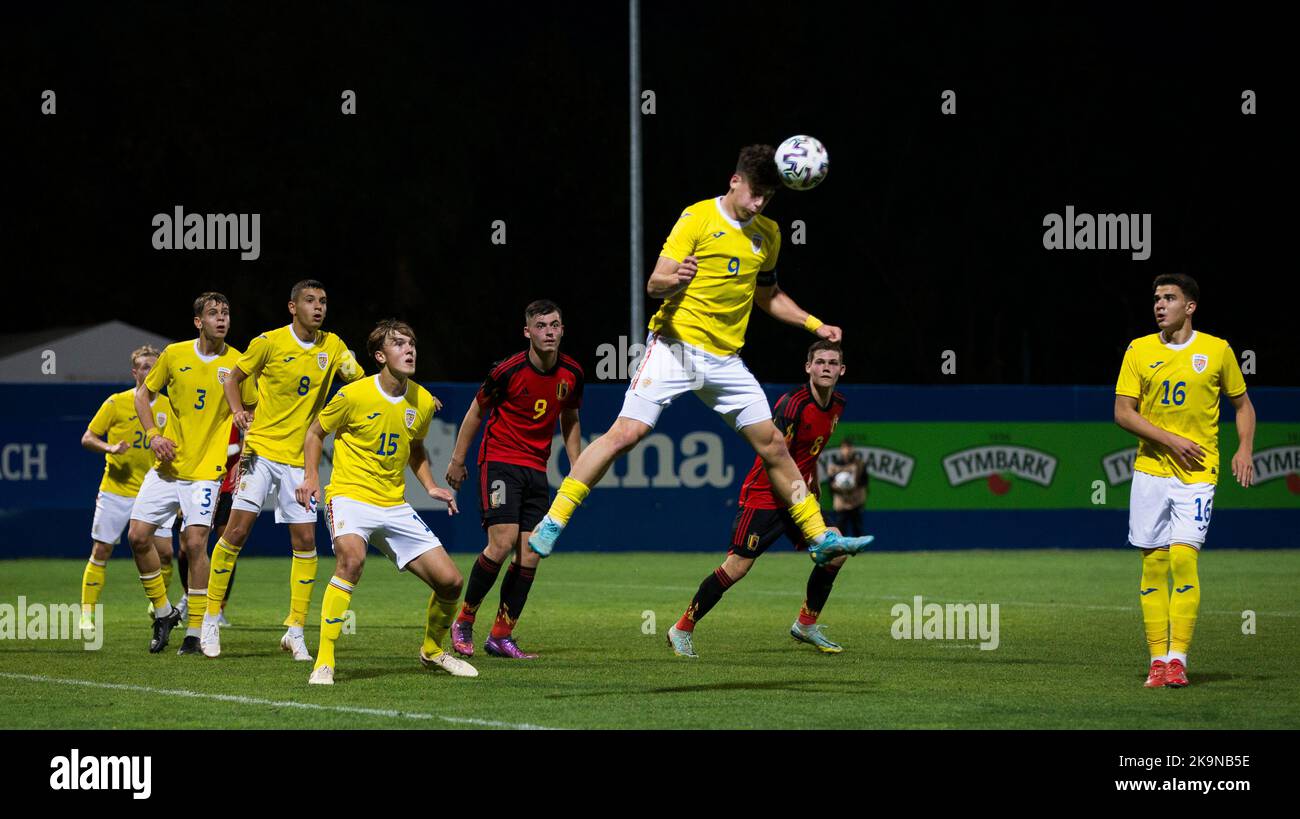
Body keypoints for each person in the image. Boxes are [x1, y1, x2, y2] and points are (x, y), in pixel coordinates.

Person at [528, 144, 873, 563]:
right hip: (675, 349)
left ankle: (819, 536)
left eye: (768, 196)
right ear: (735, 181)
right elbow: (654, 284)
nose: (759, 202)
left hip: (726, 361)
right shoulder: (697, 217)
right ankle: (555, 518)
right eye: (754, 192)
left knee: (774, 447)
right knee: (626, 434)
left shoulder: (769, 233)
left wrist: (814, 324)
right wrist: (677, 279)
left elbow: (769, 296)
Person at [298, 319, 476, 684]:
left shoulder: (423, 401)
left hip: (393, 504)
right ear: (381, 356)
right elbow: (316, 432)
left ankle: (431, 650)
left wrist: (429, 486)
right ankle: (325, 660)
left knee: (451, 583)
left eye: (411, 343)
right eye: (399, 344)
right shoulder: (353, 395)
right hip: (349, 496)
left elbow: (414, 448)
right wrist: (312, 477)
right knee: (351, 560)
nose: (409, 349)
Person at [667, 341, 870, 658]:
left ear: (842, 370)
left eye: (833, 362)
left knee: (836, 552)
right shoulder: (792, 405)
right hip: (765, 495)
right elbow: (775, 457)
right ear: (808, 367)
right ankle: (682, 627)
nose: (826, 367)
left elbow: (807, 456)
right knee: (736, 568)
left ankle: (805, 625)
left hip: (801, 498)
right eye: (820, 362)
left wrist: (809, 490)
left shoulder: (838, 404)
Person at [201, 279, 362, 660]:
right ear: (293, 308)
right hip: (259, 452)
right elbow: (232, 378)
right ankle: (209, 618)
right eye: (309, 301)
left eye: (323, 301)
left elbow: (357, 379)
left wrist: (353, 364)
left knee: (306, 543)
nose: (318, 307)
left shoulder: (333, 345)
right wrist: (239, 410)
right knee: (236, 531)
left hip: (298, 460)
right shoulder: (268, 342)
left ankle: (294, 629)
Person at [1114, 273, 1255, 689]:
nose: (1159, 305)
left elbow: (1243, 405)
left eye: (1169, 298)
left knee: (1182, 558)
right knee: (1154, 563)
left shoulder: (1217, 351)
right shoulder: (1138, 350)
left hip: (1197, 473)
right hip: (1151, 471)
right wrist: (1170, 440)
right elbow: (1123, 412)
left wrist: (1244, 448)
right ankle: (1157, 660)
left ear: (1189, 306)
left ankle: (1178, 660)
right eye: (1156, 298)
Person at [444, 300, 583, 659]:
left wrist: (578, 463)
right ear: (527, 332)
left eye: (555, 325)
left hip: (537, 469)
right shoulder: (508, 371)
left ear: (563, 329)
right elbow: (476, 411)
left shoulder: (571, 373)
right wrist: (458, 461)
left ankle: (501, 635)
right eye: (541, 326)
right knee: (502, 542)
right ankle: (464, 620)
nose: (549, 331)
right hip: (500, 460)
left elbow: (570, 417)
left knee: (531, 554)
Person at [128, 292, 255, 654]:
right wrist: (153, 435)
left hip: (206, 471)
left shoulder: (237, 363)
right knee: (138, 537)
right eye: (214, 313)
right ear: (198, 322)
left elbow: (252, 408)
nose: (222, 318)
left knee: (195, 543)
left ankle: (196, 631)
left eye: (226, 313)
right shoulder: (175, 354)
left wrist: (247, 443)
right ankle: (165, 612)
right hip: (168, 466)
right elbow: (142, 395)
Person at [78, 346, 177, 635]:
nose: (149, 372)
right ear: (134, 372)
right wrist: (110, 447)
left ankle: (158, 604)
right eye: (144, 367)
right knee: (102, 549)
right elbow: (88, 437)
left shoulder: (169, 405)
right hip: (117, 489)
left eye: (154, 367)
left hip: (156, 490)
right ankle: (86, 614)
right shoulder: (116, 403)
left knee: (167, 553)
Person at [825, 437, 868, 538]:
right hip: (841, 502)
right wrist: (837, 486)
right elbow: (830, 484)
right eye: (844, 448)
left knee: (857, 528)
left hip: (855, 501)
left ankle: (859, 551)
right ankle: (840, 550)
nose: (847, 450)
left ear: (852, 449)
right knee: (840, 528)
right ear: (841, 449)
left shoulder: (859, 464)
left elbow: (864, 483)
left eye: (849, 448)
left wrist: (854, 487)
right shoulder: (835, 465)